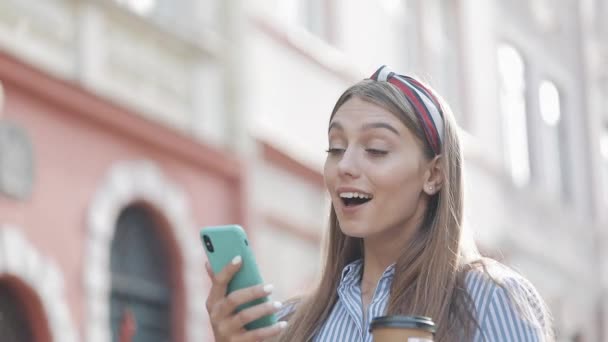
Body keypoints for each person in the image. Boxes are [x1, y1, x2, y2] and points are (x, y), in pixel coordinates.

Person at [205, 66, 554, 341]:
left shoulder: (490, 298)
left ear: (434, 175)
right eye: (336, 148)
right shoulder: (291, 325)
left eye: (376, 150)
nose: (345, 166)